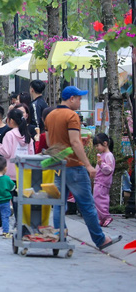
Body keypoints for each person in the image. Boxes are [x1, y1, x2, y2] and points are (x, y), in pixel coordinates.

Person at [47, 85, 121, 250]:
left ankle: (59, 237)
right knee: (87, 205)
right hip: (75, 167)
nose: (80, 102)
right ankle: (100, 239)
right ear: (71, 98)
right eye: (79, 98)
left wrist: (77, 145)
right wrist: (88, 165)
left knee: (59, 204)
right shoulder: (72, 116)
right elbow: (73, 141)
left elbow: (51, 143)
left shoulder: (51, 115)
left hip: (59, 166)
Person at [0, 108, 34, 181]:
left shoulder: (10, 134)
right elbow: (31, 154)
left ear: (11, 120)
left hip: (11, 172)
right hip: (25, 171)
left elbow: (6, 152)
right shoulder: (27, 135)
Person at [93, 133, 115, 227]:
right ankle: (102, 218)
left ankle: (106, 216)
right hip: (99, 181)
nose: (96, 147)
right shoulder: (103, 155)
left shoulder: (108, 155)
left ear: (105, 143)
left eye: (97, 145)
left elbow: (109, 170)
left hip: (103, 182)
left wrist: (101, 164)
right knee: (97, 199)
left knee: (100, 199)